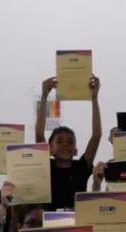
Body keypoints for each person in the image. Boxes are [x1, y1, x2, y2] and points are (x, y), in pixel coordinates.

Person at [35, 75, 103, 210]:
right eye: (59, 141)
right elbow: (39, 134)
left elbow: (96, 135)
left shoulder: (82, 167)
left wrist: (94, 98)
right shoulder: (46, 166)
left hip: (75, 226)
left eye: (70, 142)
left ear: (76, 150)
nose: (65, 145)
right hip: (50, 225)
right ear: (49, 149)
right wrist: (44, 96)